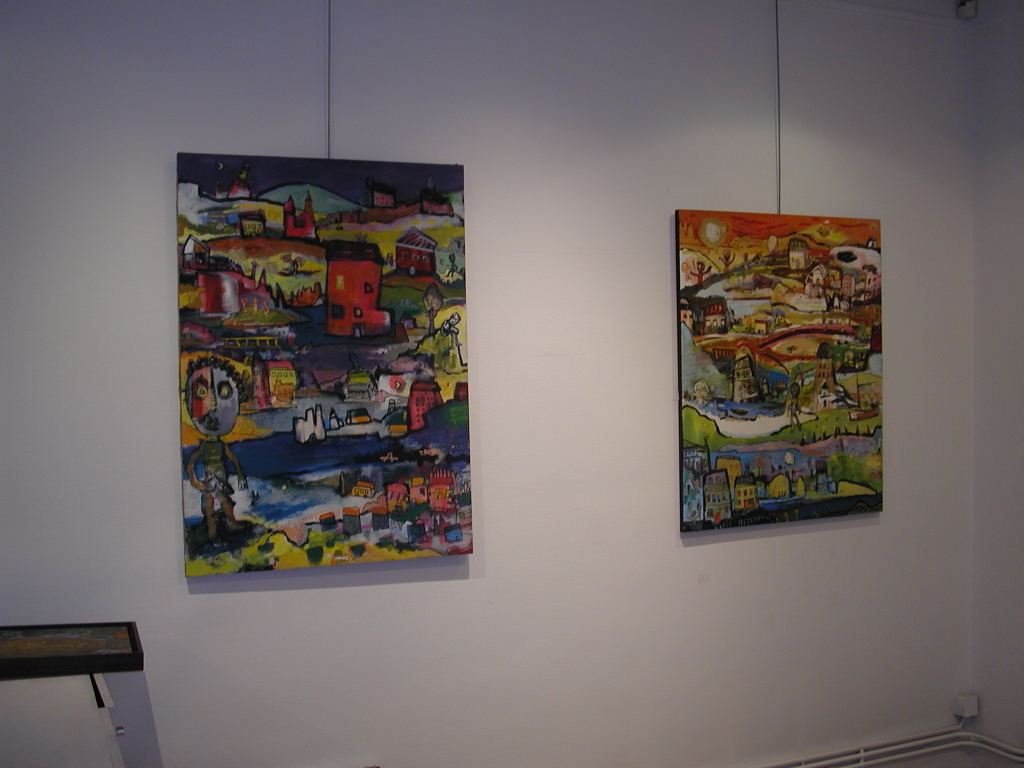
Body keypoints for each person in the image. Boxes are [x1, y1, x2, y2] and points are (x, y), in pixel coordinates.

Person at [183, 356, 250, 539]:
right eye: (202, 392)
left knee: (225, 502)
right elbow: (190, 463)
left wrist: (240, 473)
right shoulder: (205, 446)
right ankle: (213, 534)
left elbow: (232, 458)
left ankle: (230, 523)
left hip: (219, 478)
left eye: (225, 392)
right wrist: (195, 481)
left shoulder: (219, 445)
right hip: (209, 479)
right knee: (210, 507)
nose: (213, 406)